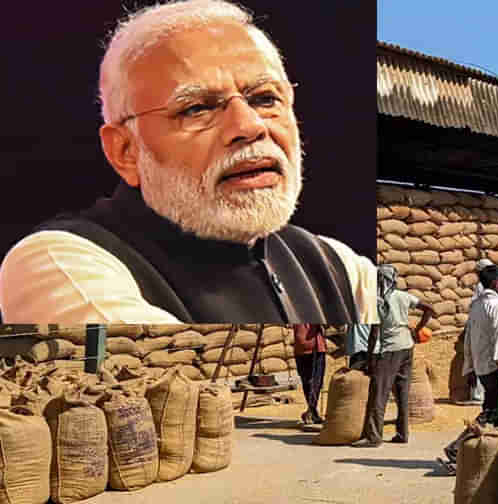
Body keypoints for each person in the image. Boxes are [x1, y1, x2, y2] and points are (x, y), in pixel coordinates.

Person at [0, 0, 377, 324]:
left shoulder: (337, 267)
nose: (248, 127)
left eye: (265, 99)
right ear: (125, 152)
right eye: (196, 109)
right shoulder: (62, 263)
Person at [353, 265, 430, 447]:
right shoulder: (403, 296)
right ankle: (402, 433)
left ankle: (373, 437)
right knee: (402, 392)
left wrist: (371, 359)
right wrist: (418, 329)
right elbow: (429, 308)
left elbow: (374, 333)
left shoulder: (378, 301)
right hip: (407, 347)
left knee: (378, 393)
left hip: (389, 350)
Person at [462, 264, 498, 426]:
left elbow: (469, 337)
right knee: (492, 410)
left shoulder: (476, 305)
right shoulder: (496, 306)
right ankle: (458, 446)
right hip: (492, 365)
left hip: (479, 365)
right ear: (496, 283)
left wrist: (470, 367)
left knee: (491, 407)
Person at [460, 258, 494, 406]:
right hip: (480, 329)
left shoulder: (482, 286)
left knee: (478, 360)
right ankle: (478, 394)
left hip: (479, 329)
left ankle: (478, 394)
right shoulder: (483, 287)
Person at [293, 324, 326, 425]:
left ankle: (313, 412)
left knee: (306, 381)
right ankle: (311, 411)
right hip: (315, 347)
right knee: (316, 381)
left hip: (299, 347)